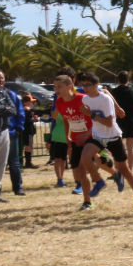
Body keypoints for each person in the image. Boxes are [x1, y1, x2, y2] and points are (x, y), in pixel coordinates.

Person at [77, 72, 133, 210]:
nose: (85, 88)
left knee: (124, 169)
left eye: (88, 85)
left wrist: (91, 114)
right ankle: (99, 181)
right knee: (85, 157)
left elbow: (108, 123)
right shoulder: (85, 100)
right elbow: (105, 91)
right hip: (98, 137)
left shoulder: (104, 99)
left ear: (96, 85)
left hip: (113, 136)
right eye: (83, 85)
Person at [51, 74, 99, 209]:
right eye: (55, 87)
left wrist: (88, 134)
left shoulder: (83, 99)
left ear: (70, 86)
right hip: (77, 139)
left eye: (59, 87)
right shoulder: (59, 102)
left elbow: (96, 119)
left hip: (91, 136)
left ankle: (108, 168)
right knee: (79, 171)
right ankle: (87, 201)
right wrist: (67, 136)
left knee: (85, 167)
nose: (56, 90)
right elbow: (66, 119)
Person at [0, 65, 18, 203]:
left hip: (4, 131)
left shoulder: (2, 92)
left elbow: (13, 110)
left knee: (1, 164)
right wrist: (4, 109)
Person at [109, 71, 133, 171]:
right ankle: (129, 169)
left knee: (117, 148)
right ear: (128, 80)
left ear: (117, 80)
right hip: (130, 122)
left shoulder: (113, 93)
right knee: (130, 148)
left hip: (117, 122)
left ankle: (118, 169)